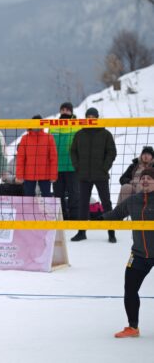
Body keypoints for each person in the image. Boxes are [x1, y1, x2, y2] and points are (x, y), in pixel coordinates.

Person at [96, 167, 154, 338]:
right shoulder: (133, 200)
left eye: (149, 178)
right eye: (142, 178)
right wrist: (97, 220)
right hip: (139, 254)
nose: (145, 180)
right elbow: (116, 214)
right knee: (130, 290)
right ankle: (132, 327)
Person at [70, 107, 117, 242]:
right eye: (88, 116)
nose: (91, 118)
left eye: (93, 116)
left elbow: (111, 152)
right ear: (86, 118)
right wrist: (77, 166)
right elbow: (73, 151)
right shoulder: (79, 134)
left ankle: (111, 232)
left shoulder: (105, 134)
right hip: (83, 175)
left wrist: (105, 167)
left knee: (106, 203)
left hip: (100, 174)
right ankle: (81, 232)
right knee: (83, 203)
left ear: (97, 118)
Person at [15, 115, 58, 198]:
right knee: (28, 199)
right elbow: (20, 158)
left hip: (45, 174)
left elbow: (53, 158)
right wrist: (19, 175)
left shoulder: (49, 138)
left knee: (46, 198)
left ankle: (47, 211)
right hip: (29, 174)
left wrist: (53, 175)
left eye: (39, 123)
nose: (37, 125)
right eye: (35, 123)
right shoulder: (25, 138)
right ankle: (29, 211)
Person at [50, 102, 80, 220]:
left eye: (67, 110)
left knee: (74, 195)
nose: (64, 112)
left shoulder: (78, 125)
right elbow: (49, 146)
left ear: (71, 112)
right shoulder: (53, 126)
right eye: (62, 110)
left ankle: (74, 219)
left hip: (73, 167)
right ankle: (61, 219)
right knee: (58, 196)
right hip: (57, 168)